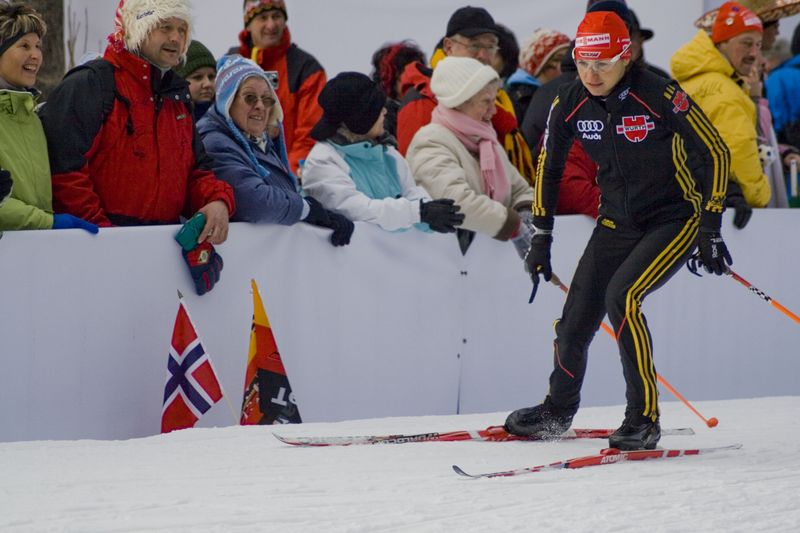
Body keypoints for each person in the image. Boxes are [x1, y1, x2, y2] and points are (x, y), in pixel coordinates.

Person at [504, 11, 732, 451]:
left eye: (603, 63)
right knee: (575, 318)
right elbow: (547, 169)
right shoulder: (568, 99)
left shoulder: (659, 93)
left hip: (673, 218)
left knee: (622, 298)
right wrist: (542, 238)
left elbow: (716, 153)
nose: (591, 74)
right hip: (615, 221)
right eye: (583, 61)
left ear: (626, 56)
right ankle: (557, 410)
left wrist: (711, 225)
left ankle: (643, 418)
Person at [40, 0, 234, 295]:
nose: (175, 38)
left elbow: (196, 171)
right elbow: (63, 172)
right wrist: (109, 239)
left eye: (182, 29)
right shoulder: (92, 84)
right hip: (94, 259)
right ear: (136, 28)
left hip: (160, 259)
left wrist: (218, 201)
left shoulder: (177, 97)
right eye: (164, 27)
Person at [198, 56, 353, 246]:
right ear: (227, 100)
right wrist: (306, 209)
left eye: (267, 98)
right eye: (249, 97)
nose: (260, 106)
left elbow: (281, 192)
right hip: (239, 260)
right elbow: (254, 202)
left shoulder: (256, 140)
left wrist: (317, 212)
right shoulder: (215, 142)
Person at [302, 72, 464, 234]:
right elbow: (356, 209)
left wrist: (431, 215)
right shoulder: (324, 160)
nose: (385, 112)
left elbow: (411, 192)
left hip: (394, 257)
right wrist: (418, 212)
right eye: (378, 109)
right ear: (361, 118)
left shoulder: (387, 152)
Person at [396, 6, 535, 186]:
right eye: (474, 45)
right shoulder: (423, 99)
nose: (483, 56)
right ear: (448, 46)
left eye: (491, 47)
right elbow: (418, 178)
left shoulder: (498, 98)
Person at [406, 57, 534, 248]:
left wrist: (525, 211)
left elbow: (520, 189)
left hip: (491, 265)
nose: (493, 111)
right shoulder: (431, 142)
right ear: (459, 102)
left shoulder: (486, 140)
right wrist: (512, 225)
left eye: (495, 100)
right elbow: (457, 202)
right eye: (486, 102)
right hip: (450, 267)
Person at [0, 3, 96, 233]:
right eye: (24, 45)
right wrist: (48, 222)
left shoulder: (33, 119)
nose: (35, 55)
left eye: (38, 46)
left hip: (36, 254)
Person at [672, 2, 771, 211]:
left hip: (687, 202)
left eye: (758, 45)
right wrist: (760, 195)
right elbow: (737, 152)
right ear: (722, 43)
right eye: (746, 43)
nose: (754, 53)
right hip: (725, 208)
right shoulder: (724, 91)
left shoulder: (689, 81)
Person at [235, 0, 325, 175]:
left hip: (288, 176)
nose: (271, 24)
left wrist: (286, 177)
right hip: (240, 175)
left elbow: (310, 133)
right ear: (248, 24)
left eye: (276, 16)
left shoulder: (305, 68)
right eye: (263, 17)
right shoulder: (232, 64)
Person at [506, 28, 570, 121]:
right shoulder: (520, 101)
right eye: (557, 60)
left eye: (569, 60)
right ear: (538, 67)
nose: (566, 67)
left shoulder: (573, 93)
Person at [370, 41, 426, 141]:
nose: (415, 78)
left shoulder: (429, 104)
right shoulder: (381, 118)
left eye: (419, 72)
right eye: (407, 74)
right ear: (389, 77)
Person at [175, 40, 217, 122]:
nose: (208, 84)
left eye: (211, 77)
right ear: (178, 82)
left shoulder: (227, 119)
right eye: (198, 77)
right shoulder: (169, 121)